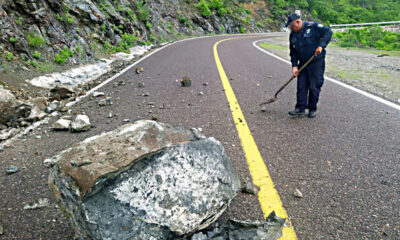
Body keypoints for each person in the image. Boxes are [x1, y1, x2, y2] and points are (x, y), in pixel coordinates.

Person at [286, 13, 332, 118]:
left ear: (298, 22)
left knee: (314, 86)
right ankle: (300, 108)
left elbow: (328, 32)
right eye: (290, 27)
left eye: (292, 26)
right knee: (301, 86)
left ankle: (312, 108)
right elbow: (292, 51)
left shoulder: (313, 27)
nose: (291, 28)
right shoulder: (293, 34)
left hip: (316, 63)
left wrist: (321, 45)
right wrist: (294, 66)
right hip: (302, 64)